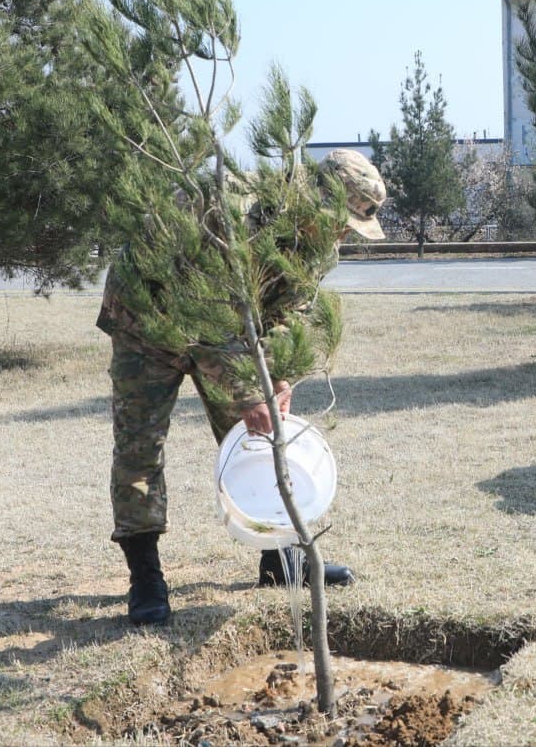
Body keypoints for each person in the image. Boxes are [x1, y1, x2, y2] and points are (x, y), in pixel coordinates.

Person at [97, 148, 387, 626]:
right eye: (340, 222)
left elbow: (288, 312)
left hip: (224, 329)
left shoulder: (319, 244)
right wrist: (250, 392)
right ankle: (145, 577)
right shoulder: (233, 208)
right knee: (139, 448)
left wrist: (278, 373)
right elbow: (204, 309)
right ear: (316, 199)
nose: (341, 236)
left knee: (263, 439)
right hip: (147, 316)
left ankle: (279, 558)